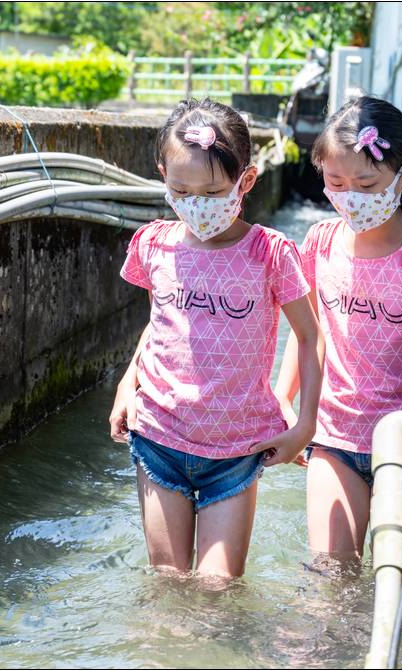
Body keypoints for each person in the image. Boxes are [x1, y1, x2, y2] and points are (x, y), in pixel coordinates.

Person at [108, 98, 322, 578]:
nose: (196, 206)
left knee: (218, 587)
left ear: (245, 181)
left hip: (236, 449)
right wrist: (128, 384)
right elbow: (160, 323)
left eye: (212, 192)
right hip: (159, 435)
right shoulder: (154, 243)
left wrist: (304, 425)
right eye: (181, 190)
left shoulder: (270, 253)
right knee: (167, 580)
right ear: (163, 174)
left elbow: (309, 337)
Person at [274, 96, 402, 565]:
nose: (350, 196)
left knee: (396, 573)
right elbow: (309, 334)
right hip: (334, 437)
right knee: (328, 580)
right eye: (336, 182)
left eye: (366, 183)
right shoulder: (319, 242)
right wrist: (282, 399)